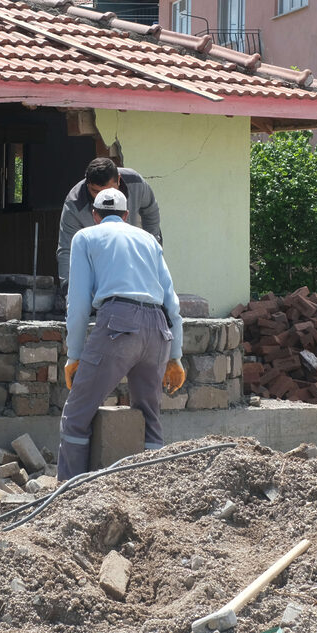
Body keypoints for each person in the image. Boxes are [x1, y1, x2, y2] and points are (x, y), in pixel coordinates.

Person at [57, 187, 185, 480]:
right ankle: (151, 490)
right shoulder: (149, 241)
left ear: (94, 215)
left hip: (118, 323)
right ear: (128, 216)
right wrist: (176, 355)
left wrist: (74, 354)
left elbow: (77, 304)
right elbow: (172, 302)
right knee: (150, 418)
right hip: (158, 330)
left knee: (76, 416)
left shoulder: (86, 237)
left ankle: (68, 495)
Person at [56, 158, 162, 290]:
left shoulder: (136, 183)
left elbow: (151, 211)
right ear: (87, 184)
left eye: (110, 190)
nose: (103, 197)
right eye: (96, 192)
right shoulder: (74, 204)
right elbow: (67, 249)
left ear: (119, 179)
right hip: (99, 265)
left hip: (135, 256)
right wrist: (68, 287)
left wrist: (153, 246)